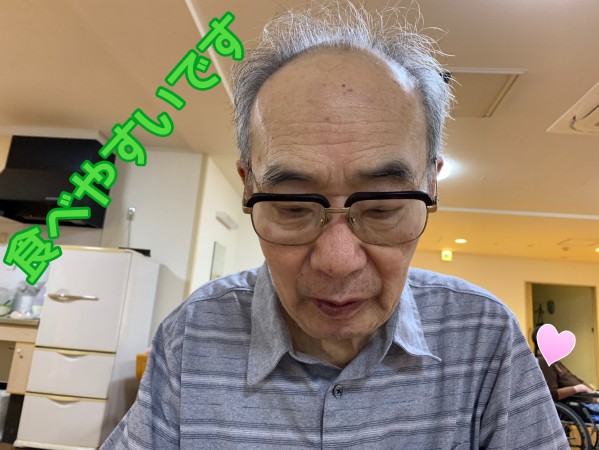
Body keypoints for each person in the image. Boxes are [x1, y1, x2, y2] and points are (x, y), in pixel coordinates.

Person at [101, 2, 567, 448]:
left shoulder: (484, 336)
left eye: (382, 206)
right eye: (293, 206)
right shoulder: (193, 332)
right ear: (248, 188)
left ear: (430, 187)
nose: (338, 261)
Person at [532, 324, 598, 403]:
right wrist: (579, 388)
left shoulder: (554, 361)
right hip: (584, 404)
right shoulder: (544, 362)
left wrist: (591, 391)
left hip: (591, 398)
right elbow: (553, 394)